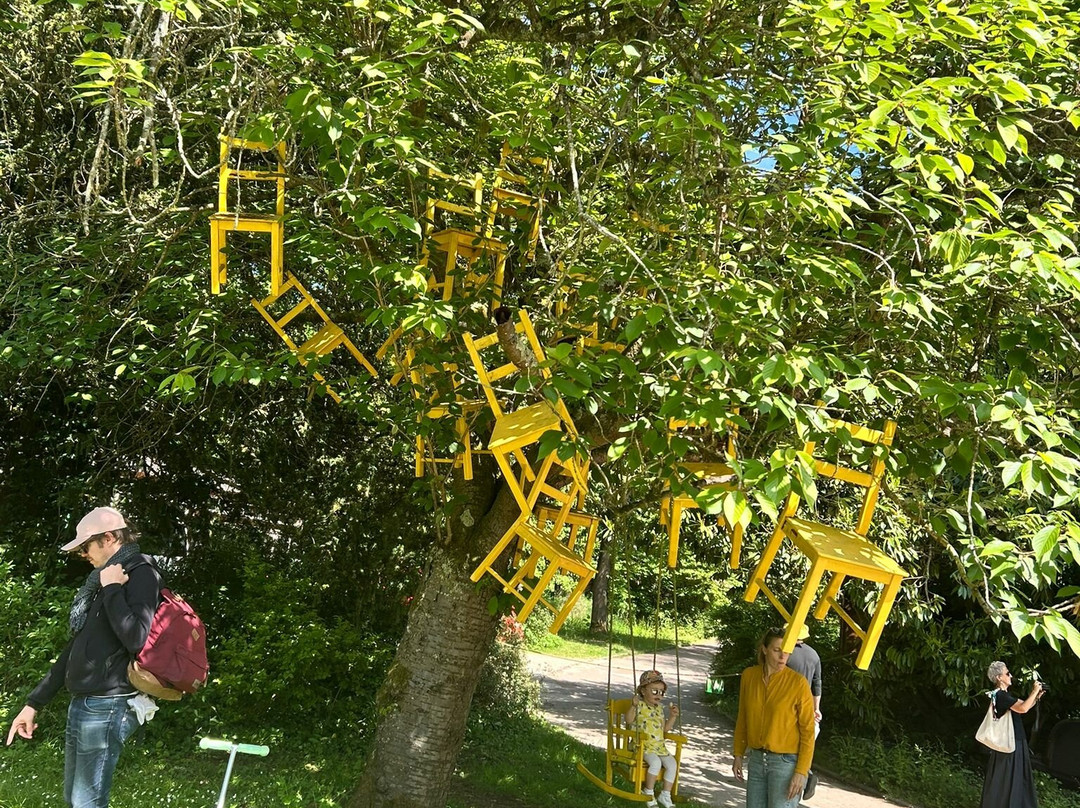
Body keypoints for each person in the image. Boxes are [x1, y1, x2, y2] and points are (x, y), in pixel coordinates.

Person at [5, 507, 160, 808]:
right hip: (84, 704)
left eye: (86, 545)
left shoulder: (141, 572)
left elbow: (136, 637)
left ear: (111, 537)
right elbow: (77, 648)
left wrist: (114, 587)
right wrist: (33, 703)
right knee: (74, 799)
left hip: (108, 705)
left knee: (86, 803)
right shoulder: (103, 580)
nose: (83, 554)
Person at [732, 627, 816, 808]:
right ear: (764, 649)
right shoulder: (749, 676)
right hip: (756, 759)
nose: (782, 657)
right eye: (777, 650)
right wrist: (738, 753)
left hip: (785, 764)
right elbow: (743, 718)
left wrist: (801, 772)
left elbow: (808, 732)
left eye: (786, 651)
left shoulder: (798, 683)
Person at [980, 660, 1043, 808]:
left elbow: (1024, 704)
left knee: (1009, 782)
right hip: (1010, 745)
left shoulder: (1004, 696)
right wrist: (1033, 692)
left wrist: (1036, 696)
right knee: (1006, 782)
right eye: (1007, 673)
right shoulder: (1000, 696)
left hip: (1015, 743)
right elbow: (1023, 709)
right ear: (999, 677)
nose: (1011, 675)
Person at [624, 669, 681, 808]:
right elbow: (629, 720)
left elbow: (664, 729)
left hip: (658, 746)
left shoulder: (659, 708)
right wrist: (633, 706)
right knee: (655, 763)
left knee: (673, 764)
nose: (659, 695)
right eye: (654, 691)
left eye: (661, 692)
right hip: (643, 746)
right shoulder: (639, 705)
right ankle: (648, 792)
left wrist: (673, 716)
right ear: (643, 691)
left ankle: (665, 795)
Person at [784, 623, 821, 799]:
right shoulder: (814, 654)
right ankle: (806, 775)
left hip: (788, 705)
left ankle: (804, 776)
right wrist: (817, 709)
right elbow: (817, 684)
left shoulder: (785, 654)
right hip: (807, 707)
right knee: (802, 746)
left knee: (787, 747)